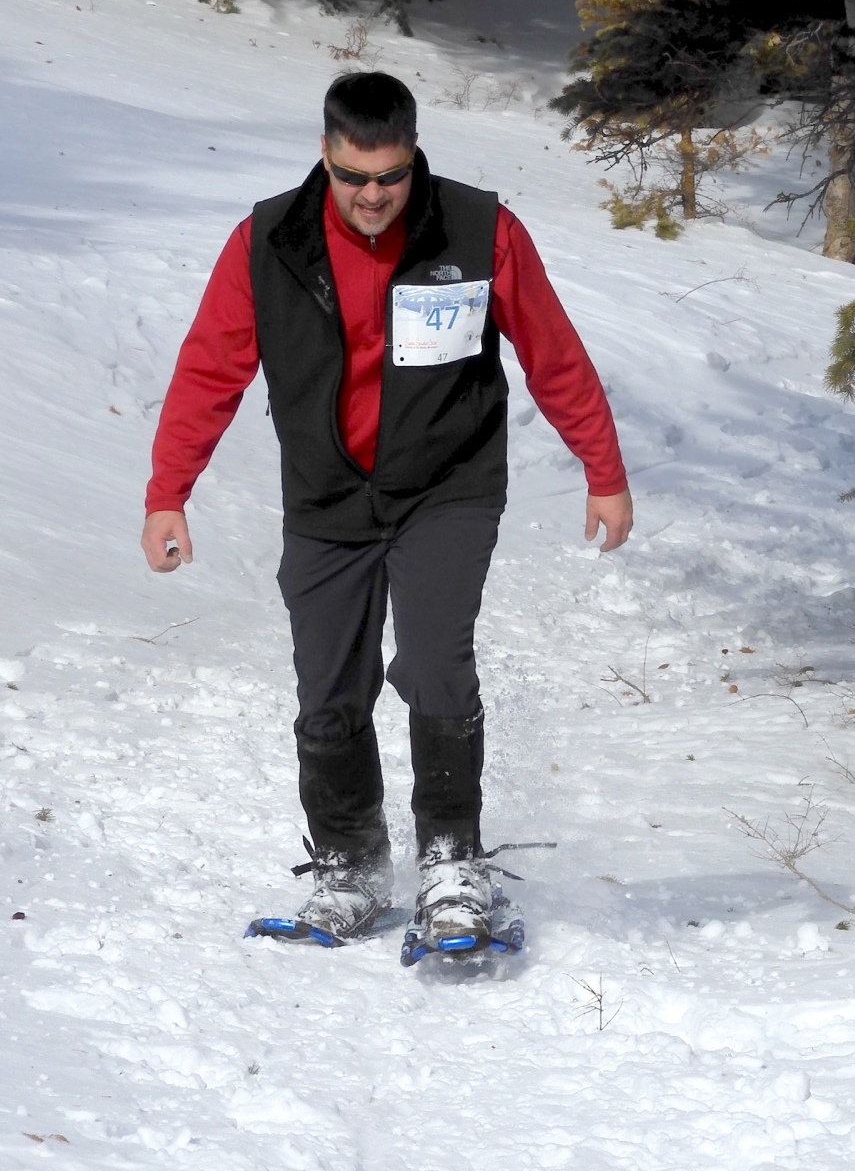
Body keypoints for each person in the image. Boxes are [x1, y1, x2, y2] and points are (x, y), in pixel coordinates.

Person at [142, 72, 632, 958]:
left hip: (447, 485)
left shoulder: (478, 230)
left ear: (413, 155)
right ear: (324, 156)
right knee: (328, 683)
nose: (372, 196)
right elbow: (210, 368)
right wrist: (167, 492)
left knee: (436, 660)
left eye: (391, 176)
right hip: (327, 494)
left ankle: (450, 859)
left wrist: (603, 468)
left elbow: (552, 353)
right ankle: (351, 866)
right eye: (353, 177)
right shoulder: (268, 241)